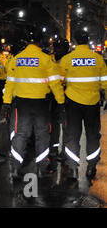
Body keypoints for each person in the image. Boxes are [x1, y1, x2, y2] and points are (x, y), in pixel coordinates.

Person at [2, 27, 65, 179]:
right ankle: (42, 168)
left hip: (21, 103)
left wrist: (6, 102)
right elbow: (55, 84)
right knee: (42, 135)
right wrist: (61, 102)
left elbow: (9, 83)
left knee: (20, 135)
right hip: (41, 104)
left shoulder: (17, 59)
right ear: (40, 41)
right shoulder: (46, 59)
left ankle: (15, 168)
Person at [59, 29, 107, 181]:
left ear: (75, 41)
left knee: (72, 136)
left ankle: (73, 168)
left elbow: (60, 81)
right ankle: (91, 166)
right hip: (92, 103)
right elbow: (105, 81)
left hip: (72, 103)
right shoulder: (97, 59)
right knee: (93, 135)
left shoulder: (67, 59)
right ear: (87, 40)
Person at [48, 38, 70, 168]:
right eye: (56, 48)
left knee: (66, 126)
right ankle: (54, 148)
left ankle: (65, 151)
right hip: (52, 97)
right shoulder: (50, 59)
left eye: (60, 48)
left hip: (66, 97)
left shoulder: (68, 61)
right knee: (53, 125)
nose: (57, 50)